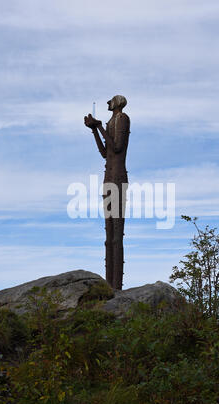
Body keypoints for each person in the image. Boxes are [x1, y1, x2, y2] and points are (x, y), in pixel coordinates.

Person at [84, 95, 130, 290]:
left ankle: (116, 287)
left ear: (117, 103)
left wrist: (100, 127)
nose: (107, 103)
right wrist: (95, 130)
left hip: (118, 179)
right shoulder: (112, 122)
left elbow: (118, 147)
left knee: (116, 236)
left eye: (110, 100)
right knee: (108, 235)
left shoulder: (123, 119)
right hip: (108, 180)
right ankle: (109, 287)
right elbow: (106, 152)